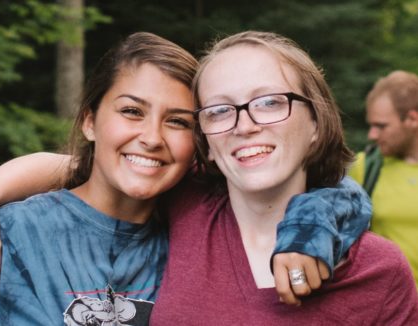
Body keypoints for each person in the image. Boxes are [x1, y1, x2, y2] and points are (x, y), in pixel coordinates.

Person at [0, 31, 371, 324]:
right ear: (89, 120)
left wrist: (307, 226)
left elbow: (333, 188)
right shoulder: (13, 234)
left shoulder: (198, 217)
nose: (152, 138)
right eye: (132, 112)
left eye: (177, 122)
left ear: (200, 141)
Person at [147, 31, 418, 325]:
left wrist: (308, 227)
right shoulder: (178, 202)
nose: (244, 126)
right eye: (220, 110)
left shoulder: (379, 271)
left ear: (316, 122)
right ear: (205, 141)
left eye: (269, 102)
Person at [349, 70, 418, 288]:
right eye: (371, 125)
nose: (372, 135)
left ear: (412, 118)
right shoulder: (364, 168)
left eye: (381, 126)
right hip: (393, 311)